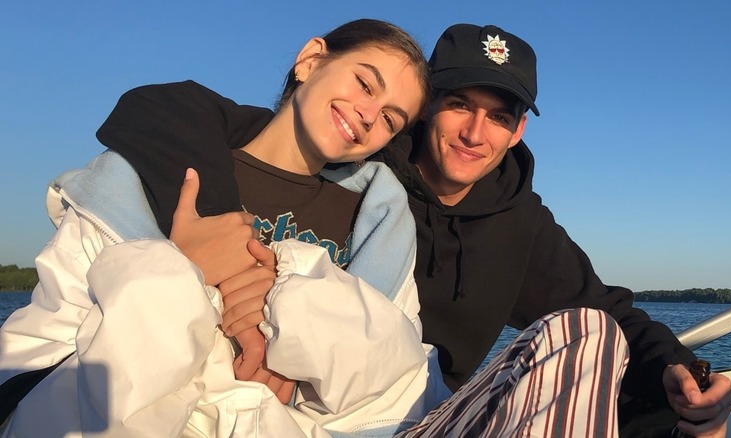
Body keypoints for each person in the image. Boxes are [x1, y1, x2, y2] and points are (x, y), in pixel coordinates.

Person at [89, 23, 731, 437]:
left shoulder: (521, 224)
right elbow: (166, 109)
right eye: (459, 105)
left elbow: (605, 311)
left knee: (593, 343)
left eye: (500, 116)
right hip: (305, 411)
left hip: (432, 418)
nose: (477, 133)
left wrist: (684, 373)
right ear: (425, 111)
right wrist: (226, 242)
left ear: (520, 130)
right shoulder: (354, 162)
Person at [0, 18, 450, 437]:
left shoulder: (375, 221)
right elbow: (62, 314)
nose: (370, 115)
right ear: (310, 60)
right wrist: (190, 268)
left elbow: (391, 370)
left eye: (391, 119)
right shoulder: (164, 164)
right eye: (365, 83)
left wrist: (296, 358)